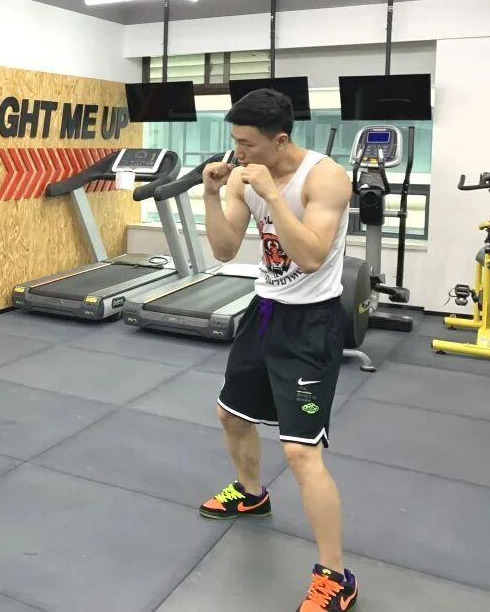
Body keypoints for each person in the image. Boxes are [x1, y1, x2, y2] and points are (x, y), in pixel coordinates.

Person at [198, 89, 358, 612]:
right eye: (234, 141)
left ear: (280, 140)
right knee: (230, 415)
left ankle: (336, 576)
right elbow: (225, 250)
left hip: (312, 322)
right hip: (264, 311)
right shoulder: (243, 177)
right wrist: (211, 195)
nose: (238, 152)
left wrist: (270, 195)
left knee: (300, 452)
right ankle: (251, 494)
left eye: (247, 143)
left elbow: (311, 256)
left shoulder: (325, 177)